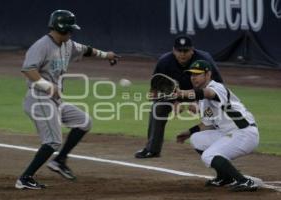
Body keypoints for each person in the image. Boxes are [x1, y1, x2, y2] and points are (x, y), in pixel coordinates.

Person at [15, 10, 120, 190]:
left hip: (54, 101)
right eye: (70, 29)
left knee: (84, 121)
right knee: (53, 141)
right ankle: (25, 178)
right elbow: (28, 69)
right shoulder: (41, 46)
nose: (72, 32)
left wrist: (106, 55)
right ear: (61, 28)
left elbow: (86, 50)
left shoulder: (67, 45)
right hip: (39, 99)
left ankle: (60, 160)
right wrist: (48, 86)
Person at [175, 60, 259, 192]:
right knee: (197, 139)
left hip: (244, 133)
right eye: (191, 75)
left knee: (208, 156)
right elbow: (208, 124)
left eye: (197, 74)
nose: (193, 77)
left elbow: (207, 93)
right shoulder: (203, 101)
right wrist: (189, 132)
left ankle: (245, 181)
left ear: (208, 74)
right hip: (228, 133)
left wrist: (182, 94)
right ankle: (224, 177)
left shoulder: (216, 87)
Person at [135, 35, 223, 158]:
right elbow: (156, 87)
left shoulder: (204, 59)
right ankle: (152, 149)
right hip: (173, 93)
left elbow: (218, 85)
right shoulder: (165, 61)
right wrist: (174, 101)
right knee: (157, 108)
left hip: (202, 93)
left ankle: (220, 147)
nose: (182, 54)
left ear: (192, 50)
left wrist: (198, 101)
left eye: (186, 50)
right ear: (173, 50)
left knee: (215, 112)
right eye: (179, 50)